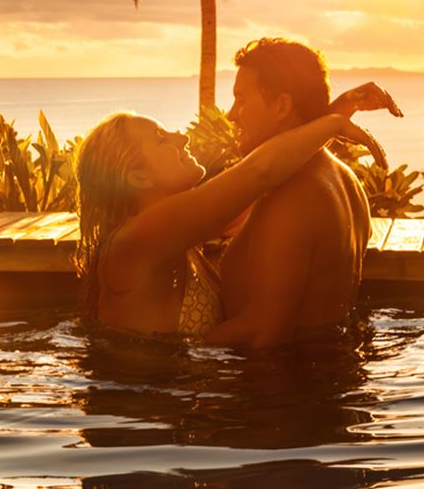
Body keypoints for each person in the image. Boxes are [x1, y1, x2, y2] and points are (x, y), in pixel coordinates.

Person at [72, 84, 395, 341]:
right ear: (138, 178)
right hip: (139, 417)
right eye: (161, 139)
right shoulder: (135, 240)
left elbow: (261, 179)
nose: (182, 137)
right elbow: (258, 172)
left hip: (169, 408)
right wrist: (332, 124)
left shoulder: (183, 233)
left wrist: (323, 115)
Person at [209, 39, 399, 349]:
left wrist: (177, 348)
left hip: (284, 389)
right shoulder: (343, 179)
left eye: (241, 100)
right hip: (326, 370)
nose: (231, 115)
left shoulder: (291, 197)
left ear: (282, 106)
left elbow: (263, 333)